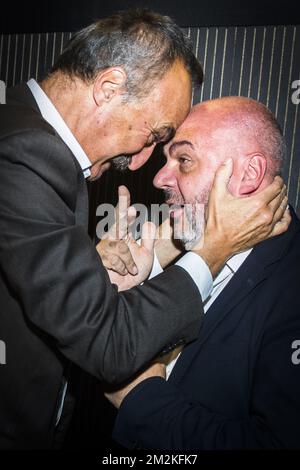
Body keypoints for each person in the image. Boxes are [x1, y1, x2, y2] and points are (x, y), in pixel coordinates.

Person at [0, 8, 288, 449]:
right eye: (154, 136)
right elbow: (108, 343)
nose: (144, 167)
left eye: (181, 157)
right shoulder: (26, 152)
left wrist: (94, 269)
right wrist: (210, 250)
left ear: (248, 175)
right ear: (109, 88)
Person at [105, 97, 300, 450]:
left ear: (250, 173)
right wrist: (117, 290)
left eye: (184, 160)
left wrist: (143, 401)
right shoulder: (180, 250)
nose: (161, 177)